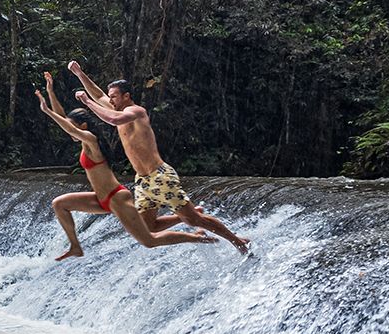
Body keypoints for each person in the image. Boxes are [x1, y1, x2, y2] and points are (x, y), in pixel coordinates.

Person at [65, 59, 250, 255]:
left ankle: (238, 241)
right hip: (143, 180)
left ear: (126, 96)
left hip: (160, 176)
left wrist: (87, 103)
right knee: (149, 226)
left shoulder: (135, 111)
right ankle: (188, 216)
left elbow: (113, 119)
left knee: (194, 220)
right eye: (110, 97)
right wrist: (79, 73)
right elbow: (99, 94)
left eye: (114, 97)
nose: (110, 101)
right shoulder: (115, 106)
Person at [37, 75, 213, 260]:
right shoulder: (82, 141)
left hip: (116, 198)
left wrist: (47, 111)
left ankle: (197, 237)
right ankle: (75, 246)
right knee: (59, 204)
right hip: (100, 199)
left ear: (83, 126)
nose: (67, 131)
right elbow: (67, 122)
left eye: (72, 127)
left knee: (149, 240)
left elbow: (71, 128)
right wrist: (50, 91)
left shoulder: (90, 140)